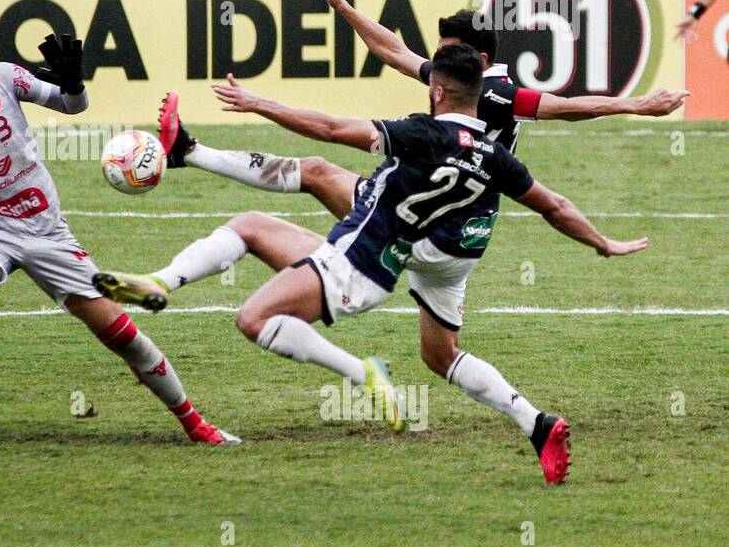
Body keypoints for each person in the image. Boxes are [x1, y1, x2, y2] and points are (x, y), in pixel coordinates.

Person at [96, 45, 649, 483]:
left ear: (437, 88)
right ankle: (536, 423)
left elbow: (335, 129)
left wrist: (258, 104)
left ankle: (360, 372)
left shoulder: (421, 133)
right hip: (417, 253)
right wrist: (603, 243)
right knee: (437, 353)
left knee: (253, 316)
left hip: (358, 261)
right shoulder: (497, 156)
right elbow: (554, 205)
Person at [0, 6, 239, 445]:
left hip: (47, 233)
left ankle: (196, 424)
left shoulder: (2, 77)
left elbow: (71, 105)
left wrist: (74, 82)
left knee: (123, 337)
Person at [152, 0, 686, 220]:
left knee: (319, 168)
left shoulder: (496, 93)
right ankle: (191, 152)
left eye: (445, 50)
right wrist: (342, 6)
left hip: (438, 207)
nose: (433, 60)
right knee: (319, 169)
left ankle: (192, 154)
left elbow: (568, 108)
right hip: (432, 190)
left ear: (475, 58)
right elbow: (392, 50)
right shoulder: (463, 77)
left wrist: (639, 104)